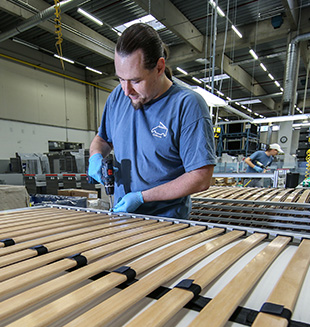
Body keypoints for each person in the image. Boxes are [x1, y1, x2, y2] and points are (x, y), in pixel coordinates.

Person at [88, 23, 216, 219]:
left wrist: (142, 197)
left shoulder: (187, 105)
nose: (126, 90)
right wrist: (95, 156)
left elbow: (201, 177)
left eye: (136, 80)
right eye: (121, 79)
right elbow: (103, 140)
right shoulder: (117, 97)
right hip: (123, 218)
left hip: (166, 225)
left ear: (159, 67)